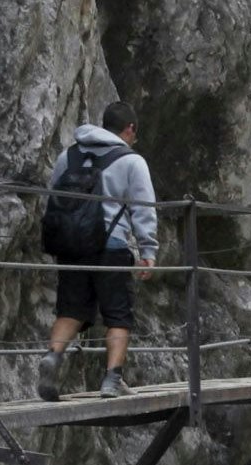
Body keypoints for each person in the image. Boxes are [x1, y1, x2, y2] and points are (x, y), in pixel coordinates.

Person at [37, 101, 159, 400]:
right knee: (118, 315)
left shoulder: (70, 155)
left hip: (73, 247)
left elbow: (54, 197)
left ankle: (53, 356)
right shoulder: (131, 161)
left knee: (71, 310)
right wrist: (148, 249)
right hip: (111, 246)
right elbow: (143, 210)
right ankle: (111, 380)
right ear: (130, 129)